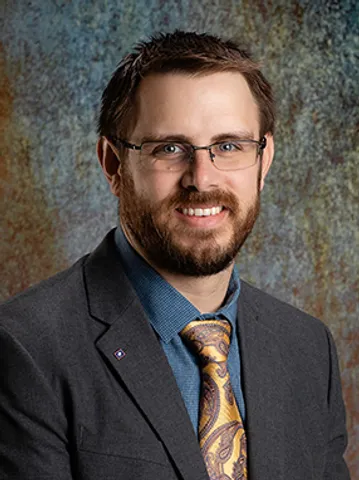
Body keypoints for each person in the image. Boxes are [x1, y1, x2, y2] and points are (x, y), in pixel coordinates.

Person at [0, 31, 350, 480]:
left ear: (263, 162)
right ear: (113, 165)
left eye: (228, 146)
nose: (201, 179)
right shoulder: (26, 349)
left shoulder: (307, 349)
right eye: (169, 148)